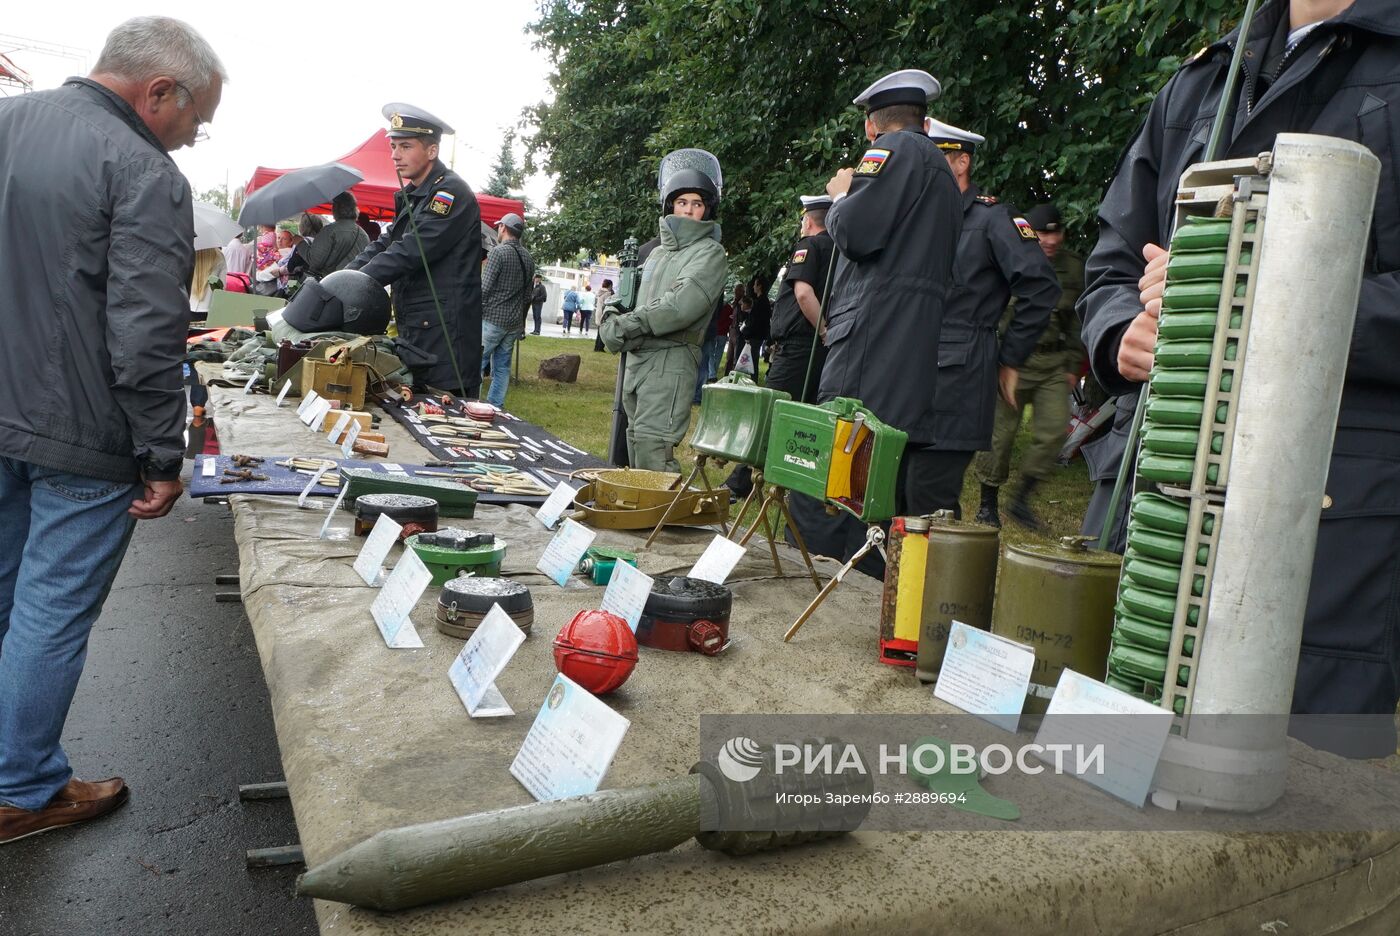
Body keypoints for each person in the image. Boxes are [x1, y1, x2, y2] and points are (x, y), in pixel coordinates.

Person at [1077, 0, 1400, 756]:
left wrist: (1263, 295)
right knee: (1101, 769)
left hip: (1324, 522)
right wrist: (1119, 334)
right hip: (1152, 493)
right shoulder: (1204, 77)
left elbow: (1245, 283)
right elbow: (1115, 262)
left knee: (1293, 795)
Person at [0, 15, 225, 845]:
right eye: (197, 118)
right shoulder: (142, 168)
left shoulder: (8, 123)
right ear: (159, 90)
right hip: (81, 432)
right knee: (50, 612)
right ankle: (21, 788)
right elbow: (145, 333)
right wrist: (164, 454)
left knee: (9, 599)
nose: (193, 136)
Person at [788, 69, 963, 573]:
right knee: (881, 477)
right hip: (909, 343)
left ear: (871, 126)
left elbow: (856, 233)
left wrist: (843, 195)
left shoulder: (892, 151)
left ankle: (822, 574)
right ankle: (868, 581)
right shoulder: (941, 174)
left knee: (837, 470)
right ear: (925, 122)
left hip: (870, 339)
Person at [917, 118, 1059, 520]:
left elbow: (1040, 287)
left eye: (933, 159)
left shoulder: (993, 218)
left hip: (959, 375)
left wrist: (1010, 358)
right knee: (909, 490)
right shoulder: (925, 217)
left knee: (932, 495)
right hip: (917, 370)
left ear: (961, 163)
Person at [600, 148, 728, 472]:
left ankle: (665, 506)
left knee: (653, 449)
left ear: (707, 209)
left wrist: (628, 325)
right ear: (671, 204)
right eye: (682, 202)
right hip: (639, 361)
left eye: (697, 204)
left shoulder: (710, 253)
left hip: (672, 360)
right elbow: (631, 298)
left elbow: (679, 306)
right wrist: (610, 314)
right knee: (633, 448)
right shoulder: (657, 253)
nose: (688, 210)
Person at [348, 104, 483, 397]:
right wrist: (342, 278)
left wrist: (353, 285)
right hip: (419, 336)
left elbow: (410, 250)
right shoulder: (416, 195)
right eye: (393, 146)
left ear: (432, 151)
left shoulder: (450, 193)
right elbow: (385, 244)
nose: (395, 155)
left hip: (445, 344)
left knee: (442, 420)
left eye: (405, 146)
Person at [973, 202, 1084, 529]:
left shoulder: (1073, 267)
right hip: (1013, 361)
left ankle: (1021, 500)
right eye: (1042, 233)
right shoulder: (1008, 257)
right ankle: (987, 504)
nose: (1050, 240)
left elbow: (1077, 319)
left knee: (1054, 430)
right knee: (1000, 435)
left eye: (1056, 232)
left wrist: (1072, 364)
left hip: (1053, 362)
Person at [766, 194, 836, 403]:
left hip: (798, 346)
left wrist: (823, 331)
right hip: (823, 349)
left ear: (808, 221)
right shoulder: (838, 250)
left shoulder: (809, 245)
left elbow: (803, 293)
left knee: (774, 408)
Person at [479, 212, 535, 410]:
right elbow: (527, 297)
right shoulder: (528, 258)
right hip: (513, 323)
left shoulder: (498, 252)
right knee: (502, 368)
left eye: (499, 226)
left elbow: (484, 288)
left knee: (477, 363)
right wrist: (521, 323)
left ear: (503, 227)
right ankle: (495, 407)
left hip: (492, 319)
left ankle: (472, 404)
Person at [298, 191, 369, 280]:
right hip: (356, 281)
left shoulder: (330, 231)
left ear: (336, 208)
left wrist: (299, 243)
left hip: (333, 282)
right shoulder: (363, 234)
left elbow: (315, 261)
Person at [593, 279, 614, 351]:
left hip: (598, 312)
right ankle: (600, 347)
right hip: (603, 313)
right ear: (610, 285)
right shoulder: (607, 293)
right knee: (603, 332)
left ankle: (597, 347)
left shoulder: (600, 292)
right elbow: (608, 303)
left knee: (599, 331)